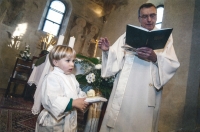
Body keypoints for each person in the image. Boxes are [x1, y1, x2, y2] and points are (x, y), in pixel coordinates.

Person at [98, 3, 180, 132]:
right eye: (145, 16)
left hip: (146, 91)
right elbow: (116, 56)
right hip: (125, 88)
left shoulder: (165, 38)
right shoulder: (128, 34)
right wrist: (107, 50)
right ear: (139, 18)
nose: (149, 20)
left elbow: (172, 63)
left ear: (156, 16)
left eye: (152, 16)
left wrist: (155, 57)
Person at [35, 45, 89, 132]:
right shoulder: (52, 77)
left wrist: (84, 99)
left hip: (69, 118)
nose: (72, 64)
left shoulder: (72, 77)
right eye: (68, 60)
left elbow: (77, 92)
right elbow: (52, 99)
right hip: (53, 122)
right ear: (55, 62)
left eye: (73, 61)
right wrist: (73, 103)